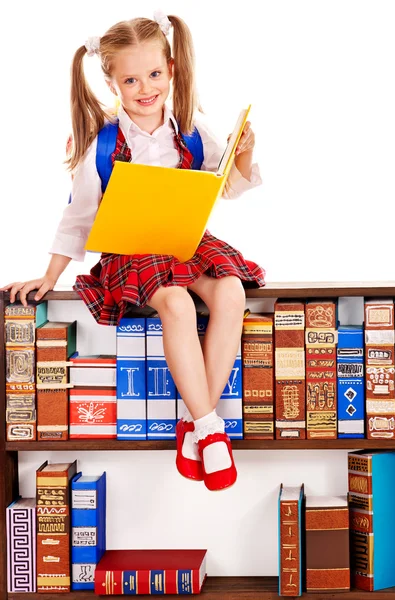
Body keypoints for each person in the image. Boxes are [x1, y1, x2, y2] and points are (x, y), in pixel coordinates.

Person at [1, 11, 265, 492]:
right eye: (130, 79)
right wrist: (49, 275)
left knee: (230, 291)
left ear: (172, 70)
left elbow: (225, 186)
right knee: (178, 303)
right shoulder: (101, 142)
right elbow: (78, 216)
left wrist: (242, 150)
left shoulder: (189, 131)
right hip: (133, 254)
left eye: (155, 74)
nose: (145, 88)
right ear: (111, 82)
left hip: (182, 242)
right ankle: (209, 428)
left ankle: (193, 421)